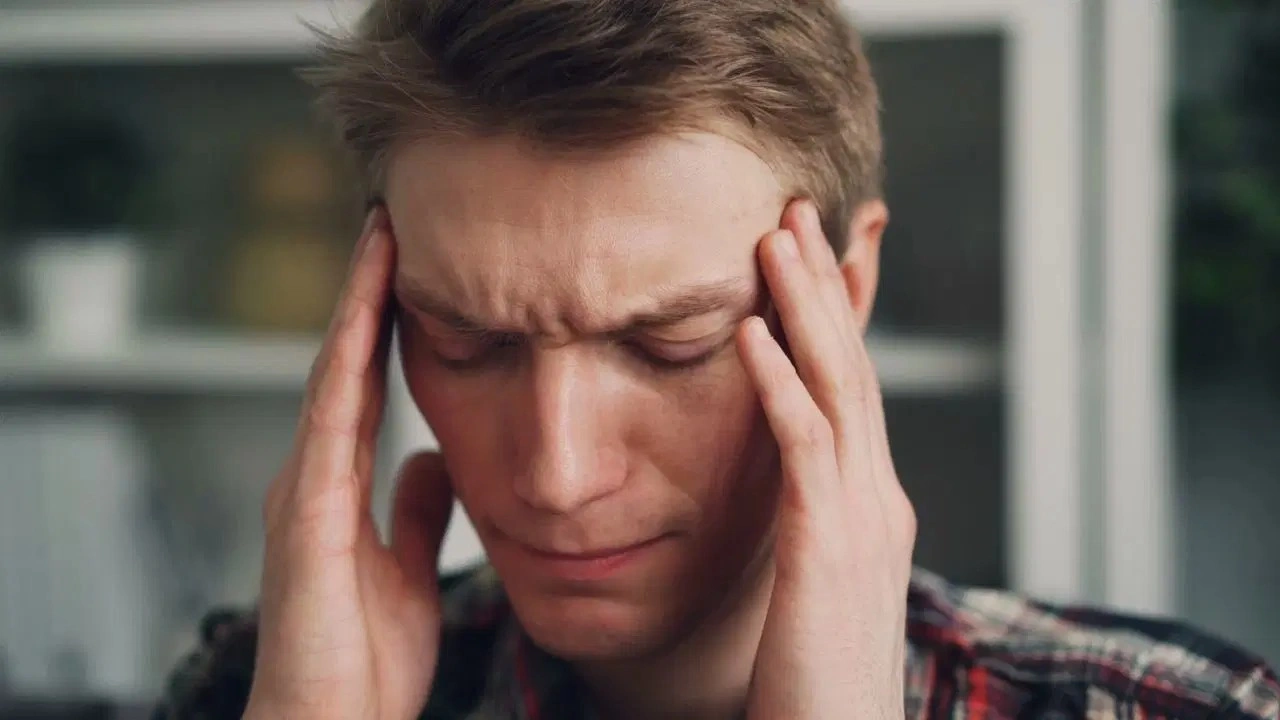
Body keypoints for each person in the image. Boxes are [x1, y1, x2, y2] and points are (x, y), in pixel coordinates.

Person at [155, 1, 1280, 718]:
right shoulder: (251, 693)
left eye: (670, 344)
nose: (557, 474)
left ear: (844, 292)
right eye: (468, 340)